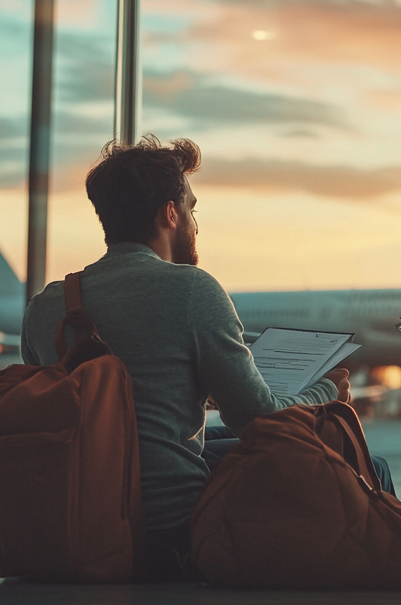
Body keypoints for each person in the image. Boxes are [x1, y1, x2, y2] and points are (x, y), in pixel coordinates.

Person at [20, 135, 366, 581]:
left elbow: (98, 408)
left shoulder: (46, 305)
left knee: (217, 439)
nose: (194, 223)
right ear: (170, 214)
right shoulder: (192, 289)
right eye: (192, 209)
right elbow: (258, 420)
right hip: (166, 521)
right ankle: (399, 567)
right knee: (356, 456)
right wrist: (326, 392)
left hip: (71, 514)